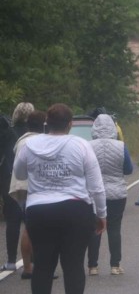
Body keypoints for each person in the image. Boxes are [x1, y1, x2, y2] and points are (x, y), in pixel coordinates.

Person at [13, 103, 106, 294]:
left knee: (43, 266)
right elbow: (96, 187)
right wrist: (101, 214)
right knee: (73, 266)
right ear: (70, 124)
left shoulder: (30, 145)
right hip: (75, 210)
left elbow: (19, 174)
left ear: (47, 123)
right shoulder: (80, 145)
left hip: (39, 211)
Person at [87, 114, 133, 276]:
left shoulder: (88, 146)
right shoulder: (121, 146)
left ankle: (93, 266)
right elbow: (128, 169)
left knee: (94, 228)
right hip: (117, 193)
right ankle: (115, 265)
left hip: (93, 193)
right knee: (114, 228)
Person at [9, 109, 46, 279]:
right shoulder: (43, 141)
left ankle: (27, 267)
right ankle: (42, 266)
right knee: (44, 229)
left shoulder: (21, 141)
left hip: (22, 188)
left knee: (28, 228)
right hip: (39, 188)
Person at [0, 104, 25, 273]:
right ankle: (34, 262)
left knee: (12, 221)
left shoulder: (7, 132)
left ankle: (10, 260)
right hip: (32, 183)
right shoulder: (38, 133)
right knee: (33, 223)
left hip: (9, 180)